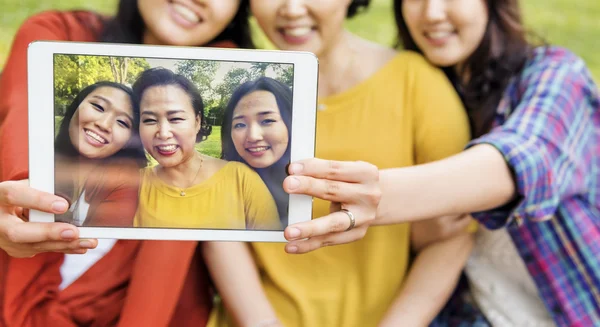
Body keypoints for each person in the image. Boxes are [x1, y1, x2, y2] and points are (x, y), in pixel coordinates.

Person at [281, 0, 600, 325]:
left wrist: (378, 196)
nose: (432, 13)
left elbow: (519, 161)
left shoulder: (557, 76)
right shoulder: (417, 86)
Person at [205, 0, 475, 326]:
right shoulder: (239, 90)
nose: (291, 9)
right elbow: (218, 227)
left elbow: (453, 233)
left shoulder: (416, 82)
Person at [0, 0, 257, 325]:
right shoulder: (59, 36)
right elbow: (19, 128)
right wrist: (21, 198)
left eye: (124, 122)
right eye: (98, 107)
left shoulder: (242, 89)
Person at [132, 67, 281, 230]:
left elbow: (272, 250)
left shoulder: (240, 178)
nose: (163, 133)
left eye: (175, 118)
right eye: (149, 120)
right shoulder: (134, 185)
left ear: (197, 122)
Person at [53, 81, 146, 228]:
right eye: (98, 107)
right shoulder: (31, 156)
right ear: (76, 106)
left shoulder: (125, 176)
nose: (104, 124)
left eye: (122, 122)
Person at [221, 76, 292, 226]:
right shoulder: (220, 185)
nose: (253, 136)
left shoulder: (317, 182)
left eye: (267, 121)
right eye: (240, 125)